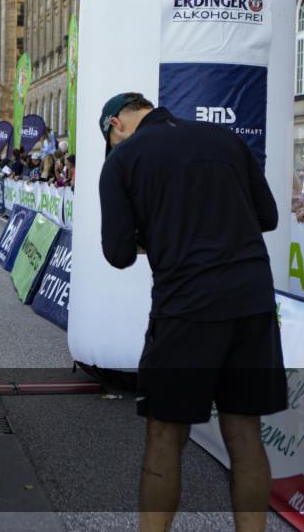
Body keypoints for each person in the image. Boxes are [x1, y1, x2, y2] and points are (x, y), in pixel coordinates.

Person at [97, 92, 285, 532]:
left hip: (186, 307)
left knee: (166, 435)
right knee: (245, 435)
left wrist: (158, 234)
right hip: (252, 301)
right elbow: (269, 216)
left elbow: (118, 253)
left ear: (117, 126)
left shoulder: (122, 161)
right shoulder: (224, 138)